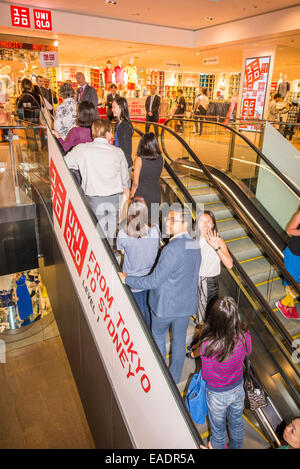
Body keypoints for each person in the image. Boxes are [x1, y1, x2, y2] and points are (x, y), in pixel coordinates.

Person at [119, 209, 201, 384]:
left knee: (158, 337)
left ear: (185, 223)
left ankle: (160, 375)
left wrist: (128, 279)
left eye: (173, 220)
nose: (168, 223)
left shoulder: (171, 250)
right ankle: (173, 378)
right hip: (185, 306)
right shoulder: (194, 244)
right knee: (179, 342)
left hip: (164, 307)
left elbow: (152, 282)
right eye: (168, 219)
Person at [64, 119, 130, 247]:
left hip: (93, 199)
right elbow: (125, 178)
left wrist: (80, 168)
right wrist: (126, 189)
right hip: (114, 198)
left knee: (96, 235)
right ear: (108, 133)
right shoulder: (117, 152)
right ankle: (110, 256)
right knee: (110, 234)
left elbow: (64, 162)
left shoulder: (82, 149)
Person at [199, 296, 251, 449]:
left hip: (217, 394)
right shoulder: (244, 335)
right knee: (237, 423)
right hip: (237, 388)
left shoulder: (208, 345)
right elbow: (248, 351)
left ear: (213, 318)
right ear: (236, 316)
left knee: (218, 430)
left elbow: (207, 376)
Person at [187, 210, 233, 359]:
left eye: (208, 221)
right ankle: (199, 344)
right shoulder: (195, 238)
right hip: (198, 281)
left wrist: (216, 247)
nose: (205, 224)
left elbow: (230, 264)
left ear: (213, 224)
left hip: (208, 282)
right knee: (203, 318)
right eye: (202, 221)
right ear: (197, 223)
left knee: (205, 320)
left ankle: (199, 351)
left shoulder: (217, 240)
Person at [117, 197, 161, 328]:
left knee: (138, 311)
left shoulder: (123, 234)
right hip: (151, 278)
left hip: (132, 279)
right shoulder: (155, 230)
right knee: (149, 308)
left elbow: (123, 252)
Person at [130, 132, 163, 218]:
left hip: (142, 193)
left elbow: (135, 183)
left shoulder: (139, 160)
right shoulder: (162, 158)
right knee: (153, 220)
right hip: (155, 193)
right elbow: (158, 175)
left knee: (139, 221)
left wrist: (132, 195)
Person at [276, 206, 300, 320]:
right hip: (294, 253)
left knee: (297, 282)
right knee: (293, 281)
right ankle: (284, 303)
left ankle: (289, 304)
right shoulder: (299, 214)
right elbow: (289, 230)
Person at [112, 96, 133, 172]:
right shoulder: (119, 124)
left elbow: (125, 148)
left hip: (123, 164)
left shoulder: (124, 126)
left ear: (121, 107)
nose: (112, 110)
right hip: (120, 161)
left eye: (114, 107)